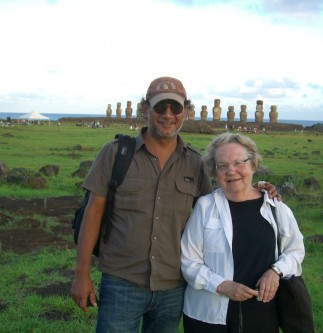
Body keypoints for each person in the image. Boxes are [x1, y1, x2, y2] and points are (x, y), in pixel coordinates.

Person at [70, 77, 279, 333]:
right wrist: (81, 274)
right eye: (160, 107)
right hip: (121, 281)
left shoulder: (194, 162)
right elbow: (93, 212)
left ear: (185, 112)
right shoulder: (116, 153)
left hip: (173, 284)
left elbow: (217, 204)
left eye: (175, 108)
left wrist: (255, 188)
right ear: (145, 109)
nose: (168, 115)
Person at [181, 132, 305, 333]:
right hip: (207, 317)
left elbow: (295, 251)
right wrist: (221, 285)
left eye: (239, 162)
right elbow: (188, 261)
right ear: (215, 171)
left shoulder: (275, 207)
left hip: (261, 315)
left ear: (253, 164)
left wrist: (275, 271)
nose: (231, 171)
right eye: (223, 165)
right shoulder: (205, 207)